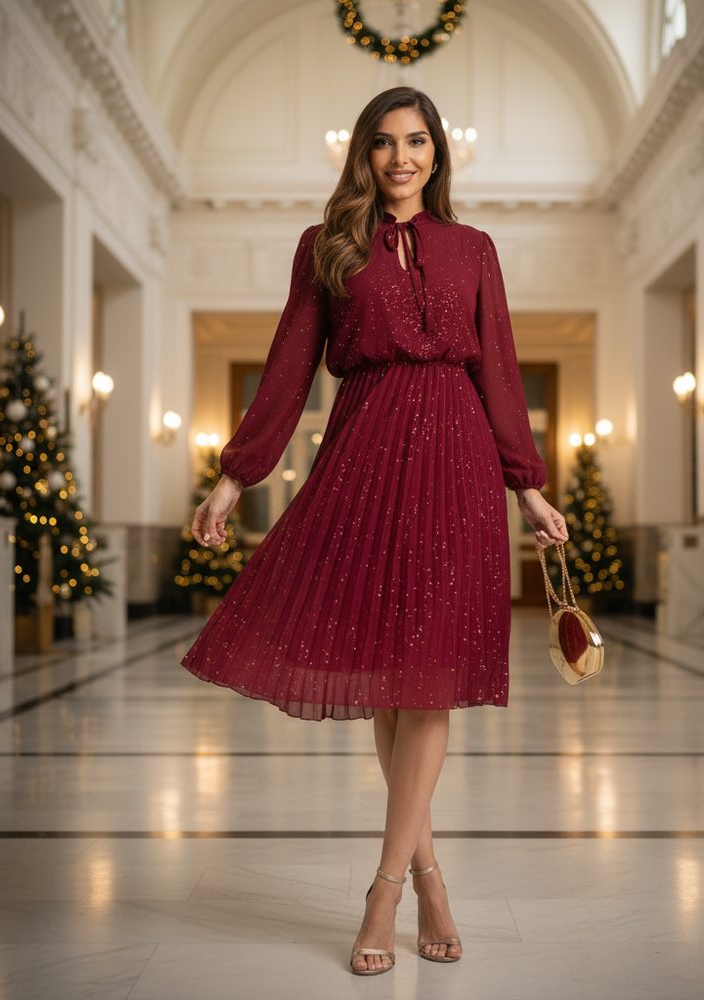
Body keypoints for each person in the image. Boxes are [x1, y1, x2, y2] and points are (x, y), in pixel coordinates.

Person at [182, 86, 568, 976]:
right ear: (364, 153)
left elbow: (499, 372)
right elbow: (288, 365)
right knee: (389, 670)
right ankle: (430, 875)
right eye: (386, 143)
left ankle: (387, 886)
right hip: (362, 457)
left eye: (418, 142)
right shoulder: (328, 248)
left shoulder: (473, 250)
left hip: (460, 468)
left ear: (438, 154)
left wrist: (528, 489)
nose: (402, 158)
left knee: (425, 679)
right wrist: (237, 475)